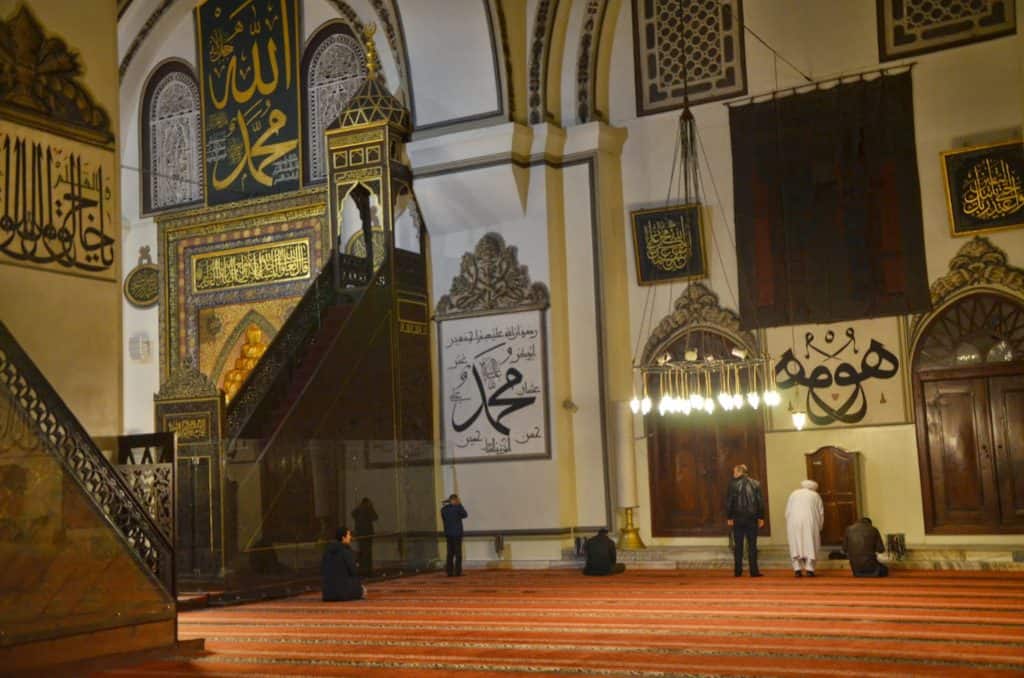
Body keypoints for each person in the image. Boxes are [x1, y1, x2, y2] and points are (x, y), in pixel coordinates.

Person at [726, 464, 765, 577]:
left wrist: (729, 517)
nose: (733, 474)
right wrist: (761, 517)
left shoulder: (732, 484)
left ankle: (738, 571)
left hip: (737, 518)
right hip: (752, 519)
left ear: (740, 472)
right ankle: (754, 571)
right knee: (752, 545)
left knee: (738, 545)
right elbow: (760, 503)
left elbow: (729, 503)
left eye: (734, 472)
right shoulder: (756, 483)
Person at [785, 479, 824, 577]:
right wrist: (820, 526)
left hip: (793, 522)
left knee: (796, 544)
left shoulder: (793, 494)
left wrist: (789, 522)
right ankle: (809, 569)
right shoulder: (815, 495)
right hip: (810, 522)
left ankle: (797, 569)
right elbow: (820, 512)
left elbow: (787, 511)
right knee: (810, 543)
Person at [321, 527, 366, 601]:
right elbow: (354, 571)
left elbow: (323, 569)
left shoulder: (327, 551)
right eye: (348, 535)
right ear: (343, 538)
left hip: (327, 593)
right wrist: (356, 565)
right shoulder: (345, 551)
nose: (350, 537)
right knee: (363, 590)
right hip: (342, 593)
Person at [441, 493, 468, 576]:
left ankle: (449, 572)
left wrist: (447, 504)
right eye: (457, 500)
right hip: (457, 534)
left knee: (450, 553)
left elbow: (444, 516)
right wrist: (459, 504)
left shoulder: (444, 509)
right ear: (455, 500)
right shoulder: (457, 508)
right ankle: (457, 572)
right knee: (458, 554)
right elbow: (465, 514)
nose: (458, 501)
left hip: (448, 534)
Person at [351, 497, 378, 576]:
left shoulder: (358, 509)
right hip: (367, 533)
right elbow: (375, 517)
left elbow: (353, 514)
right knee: (368, 552)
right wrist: (371, 507)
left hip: (360, 533)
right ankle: (367, 570)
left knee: (362, 552)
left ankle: (361, 570)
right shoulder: (368, 508)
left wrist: (358, 507)